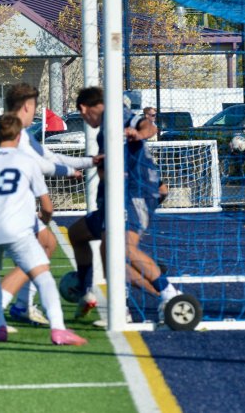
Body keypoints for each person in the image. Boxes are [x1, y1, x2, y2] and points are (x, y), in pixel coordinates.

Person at [0, 113, 87, 345]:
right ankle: (58, 330)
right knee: (43, 274)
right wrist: (44, 219)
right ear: (18, 137)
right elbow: (46, 206)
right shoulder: (27, 163)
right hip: (16, 230)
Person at [0, 83, 99, 332]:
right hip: (10, 211)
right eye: (34, 108)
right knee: (34, 258)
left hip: (15, 207)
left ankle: (22, 304)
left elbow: (50, 157)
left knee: (47, 245)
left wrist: (89, 162)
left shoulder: (20, 131)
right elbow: (42, 165)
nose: (36, 114)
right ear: (27, 106)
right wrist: (69, 171)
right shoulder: (13, 134)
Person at [67, 87, 180, 323]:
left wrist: (139, 134)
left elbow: (149, 126)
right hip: (114, 197)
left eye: (82, 116)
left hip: (133, 194)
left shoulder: (117, 115)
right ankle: (90, 291)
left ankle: (170, 294)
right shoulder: (104, 132)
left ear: (83, 109)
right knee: (79, 234)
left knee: (121, 248)